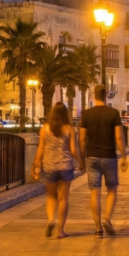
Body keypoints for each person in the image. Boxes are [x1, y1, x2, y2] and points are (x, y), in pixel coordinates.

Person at [79, 85, 127, 237]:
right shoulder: (113, 113)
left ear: (94, 96)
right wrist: (124, 156)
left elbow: (81, 139)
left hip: (92, 156)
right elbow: (119, 137)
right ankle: (107, 217)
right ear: (106, 96)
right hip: (109, 156)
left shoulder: (86, 114)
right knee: (112, 189)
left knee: (95, 192)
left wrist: (81, 158)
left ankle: (98, 229)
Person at [32, 102, 81, 238]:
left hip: (49, 166)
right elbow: (72, 150)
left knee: (51, 196)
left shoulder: (45, 129)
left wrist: (36, 163)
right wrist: (81, 161)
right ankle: (61, 231)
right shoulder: (69, 129)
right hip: (65, 166)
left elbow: (41, 148)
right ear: (66, 114)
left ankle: (50, 220)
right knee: (63, 198)